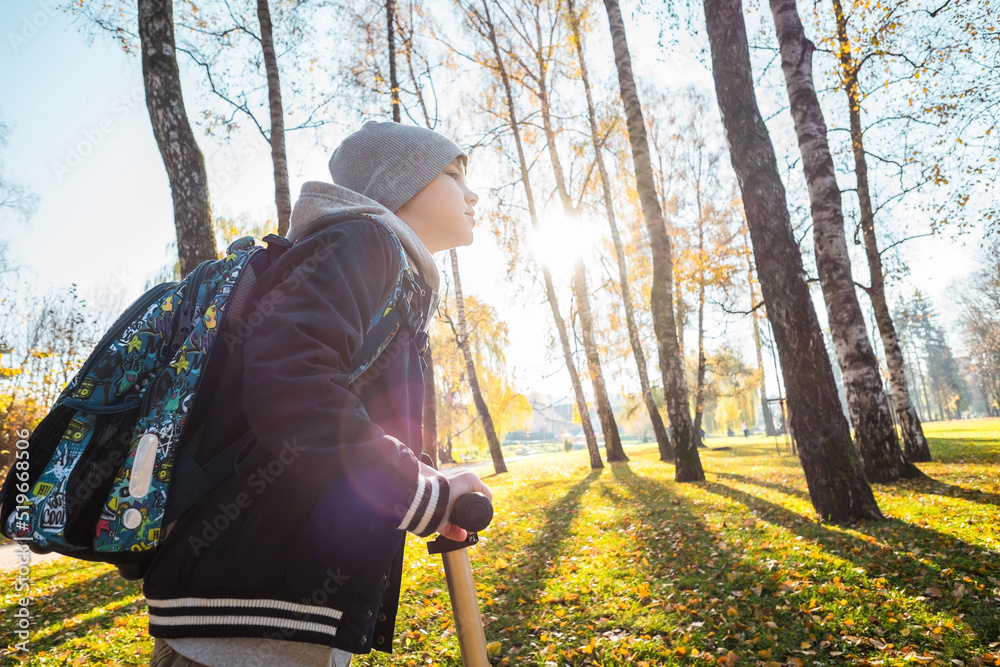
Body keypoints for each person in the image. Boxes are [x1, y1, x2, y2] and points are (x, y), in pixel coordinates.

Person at [145, 121, 493, 667]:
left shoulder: (389, 272)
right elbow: (293, 388)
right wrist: (411, 491)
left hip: (274, 601)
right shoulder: (363, 242)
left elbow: (345, 408)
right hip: (248, 620)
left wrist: (427, 485)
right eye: (452, 174)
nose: (472, 193)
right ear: (396, 183)